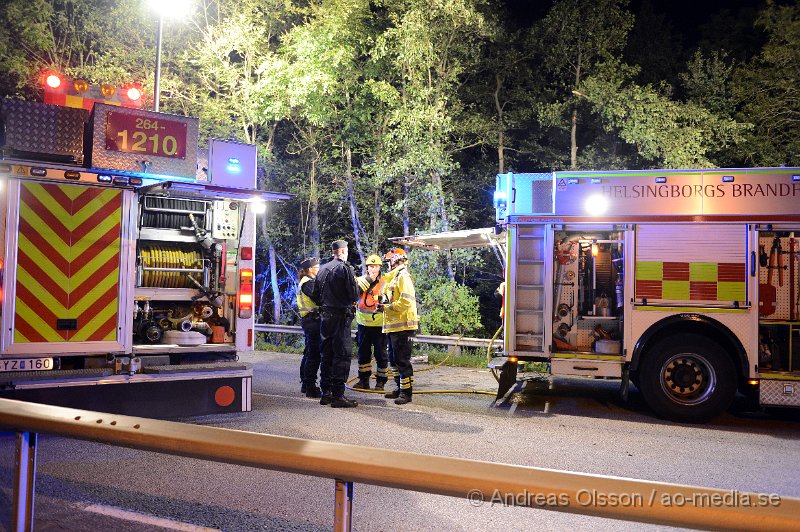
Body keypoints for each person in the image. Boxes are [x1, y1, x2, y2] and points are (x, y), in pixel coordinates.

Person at [311, 239, 360, 408]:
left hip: (325, 317)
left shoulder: (322, 269)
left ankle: (326, 393)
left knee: (327, 355)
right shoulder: (344, 269)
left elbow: (315, 294)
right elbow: (354, 295)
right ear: (343, 251)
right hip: (340, 317)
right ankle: (338, 395)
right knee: (342, 355)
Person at [376, 248, 419, 405]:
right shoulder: (394, 277)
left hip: (403, 327)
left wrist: (386, 308)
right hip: (394, 326)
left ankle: (406, 393)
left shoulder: (403, 277)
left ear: (395, 260)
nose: (388, 264)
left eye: (389, 261)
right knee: (394, 360)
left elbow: (406, 301)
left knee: (402, 360)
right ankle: (399, 388)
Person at [354, 254, 389, 390]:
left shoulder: (385, 282)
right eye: (370, 266)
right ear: (367, 268)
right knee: (363, 354)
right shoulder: (361, 281)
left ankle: (380, 382)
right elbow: (354, 295)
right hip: (363, 325)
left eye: (375, 266)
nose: (373, 269)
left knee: (381, 355)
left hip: (379, 325)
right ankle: (363, 380)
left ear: (380, 267)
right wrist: (368, 280)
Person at [296, 257, 322, 398]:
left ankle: (306, 384)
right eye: (317, 267)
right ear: (310, 269)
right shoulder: (308, 283)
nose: (319, 269)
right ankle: (310, 386)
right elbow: (319, 298)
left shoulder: (306, 282)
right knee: (314, 355)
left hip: (310, 320)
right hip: (313, 321)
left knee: (309, 353)